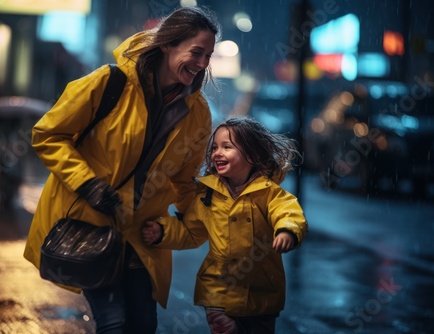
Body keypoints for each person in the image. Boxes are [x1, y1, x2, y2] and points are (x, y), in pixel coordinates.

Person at [23, 6, 221, 334]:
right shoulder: (109, 83)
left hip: (143, 239)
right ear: (168, 44)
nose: (202, 64)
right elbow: (48, 134)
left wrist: (213, 218)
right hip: (92, 227)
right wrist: (86, 183)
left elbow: (185, 183)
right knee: (114, 323)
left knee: (143, 325)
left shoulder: (197, 113)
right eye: (196, 52)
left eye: (208, 56)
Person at [142, 117, 308, 334]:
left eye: (227, 147)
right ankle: (223, 324)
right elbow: (191, 232)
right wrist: (163, 231)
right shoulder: (207, 195)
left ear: (252, 155)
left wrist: (287, 230)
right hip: (219, 283)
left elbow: (288, 211)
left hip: (261, 288)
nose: (217, 153)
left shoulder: (268, 192)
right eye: (214, 148)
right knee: (223, 323)